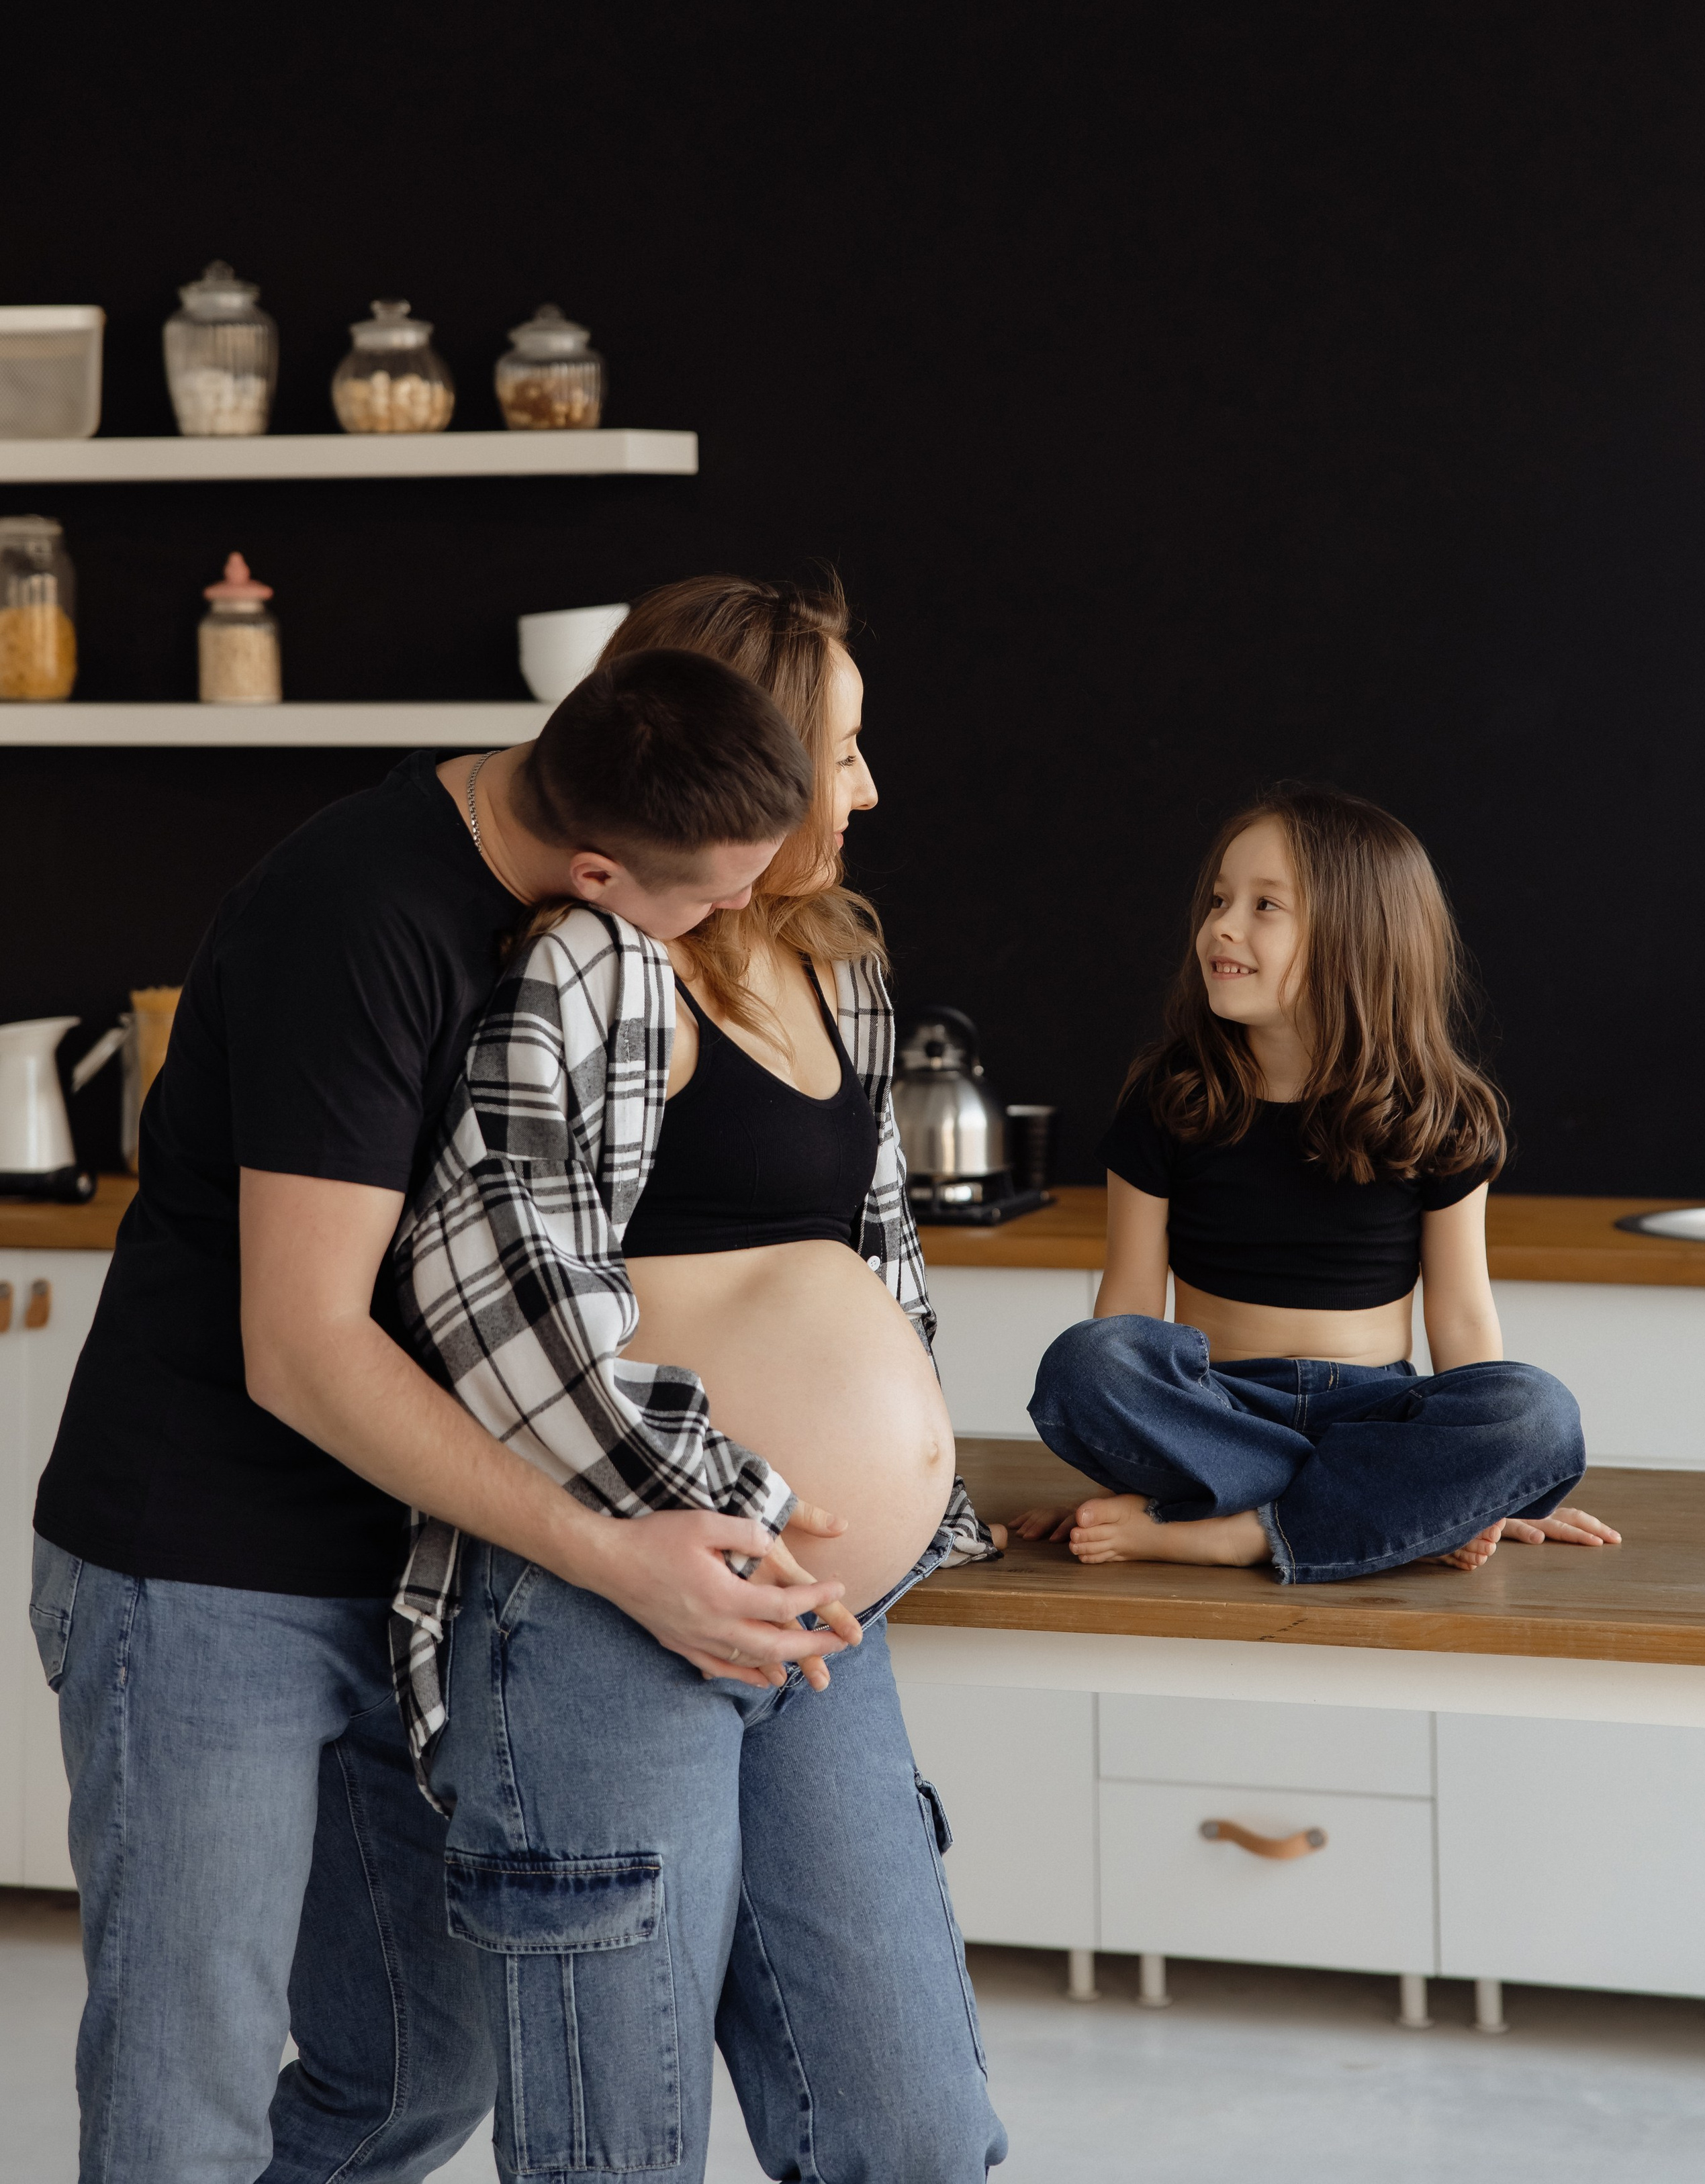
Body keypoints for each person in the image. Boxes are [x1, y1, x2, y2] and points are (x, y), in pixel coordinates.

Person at [30, 646, 855, 2184]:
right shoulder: (359, 918)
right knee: (182, 2102)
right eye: (710, 891)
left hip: (405, 1558)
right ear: (600, 865)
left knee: (421, 2063)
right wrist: (619, 1556)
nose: (731, 913)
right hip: (202, 1567)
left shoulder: (563, 909)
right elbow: (304, 1346)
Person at [393, 574, 1009, 2183]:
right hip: (618, 1603)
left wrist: (894, 1500)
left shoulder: (842, 970)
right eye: (842, 750)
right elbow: (496, 1289)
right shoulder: (596, 970)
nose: (867, 787)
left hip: (816, 1621)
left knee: (915, 2129)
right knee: (620, 2147)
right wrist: (741, 1508)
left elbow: (878, 1270)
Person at [1016, 786, 1622, 1581]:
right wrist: (1128, 1468)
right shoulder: (1168, 1097)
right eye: (1219, 899)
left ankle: (1242, 1529)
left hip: (1376, 1415)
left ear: (1358, 939)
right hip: (1217, 1408)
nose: (1220, 926)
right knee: (1085, 1362)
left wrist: (1494, 1477)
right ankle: (1371, 1514)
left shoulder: (1440, 1112)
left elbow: (1463, 1316)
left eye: (1265, 905)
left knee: (1536, 1414)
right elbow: (1128, 1301)